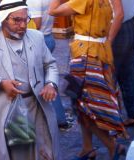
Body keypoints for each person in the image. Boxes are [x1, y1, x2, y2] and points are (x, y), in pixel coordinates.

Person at [0, 0, 61, 159]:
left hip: (36, 106)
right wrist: (0, 84)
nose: (23, 25)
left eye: (26, 19)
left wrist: (51, 84)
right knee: (21, 154)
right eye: (17, 20)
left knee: (44, 153)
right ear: (3, 19)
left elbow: (50, 65)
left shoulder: (36, 37)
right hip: (9, 110)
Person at [49, 0, 128, 159]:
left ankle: (112, 146)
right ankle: (87, 147)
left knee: (84, 105)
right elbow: (119, 14)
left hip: (85, 56)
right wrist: (108, 41)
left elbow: (53, 11)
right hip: (100, 52)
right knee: (88, 103)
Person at [27, 0, 72, 130]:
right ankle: (59, 118)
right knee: (47, 79)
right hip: (49, 37)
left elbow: (37, 23)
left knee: (43, 80)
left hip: (40, 39)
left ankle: (57, 118)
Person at [112, 0, 134, 127]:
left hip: (116, 27)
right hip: (130, 25)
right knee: (128, 75)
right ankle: (133, 114)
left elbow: (119, 14)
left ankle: (112, 120)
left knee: (109, 79)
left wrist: (108, 41)